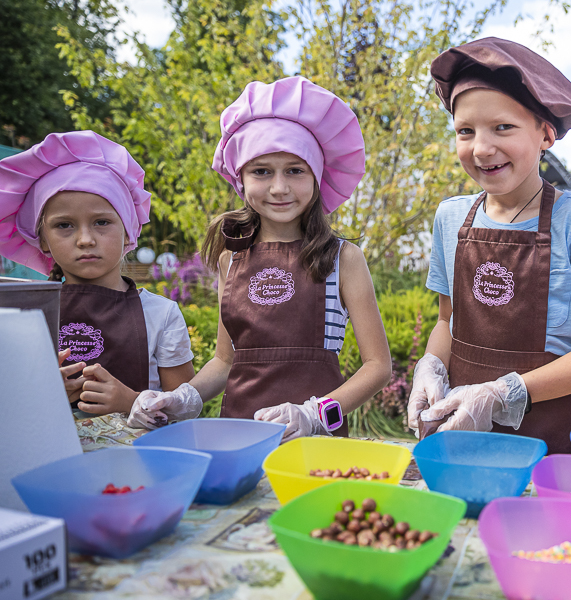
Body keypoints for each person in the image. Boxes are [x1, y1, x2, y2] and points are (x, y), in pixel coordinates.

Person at [128, 77, 392, 441]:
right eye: (262, 171)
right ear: (241, 178)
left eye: (295, 170)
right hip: (238, 435)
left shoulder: (342, 259)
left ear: (316, 178)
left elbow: (378, 367)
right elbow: (225, 361)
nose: (279, 187)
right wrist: (183, 397)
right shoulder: (230, 259)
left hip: (316, 443)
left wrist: (315, 414)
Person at [406, 37, 571, 453]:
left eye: (502, 127)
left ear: (546, 133)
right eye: (465, 131)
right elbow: (446, 321)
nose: (482, 148)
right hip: (460, 437)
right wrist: (430, 366)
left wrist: (501, 394)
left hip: (547, 442)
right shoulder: (450, 217)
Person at [0, 130, 195, 414]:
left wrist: (132, 402)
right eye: (64, 225)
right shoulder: (27, 315)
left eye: (102, 222)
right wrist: (43, 391)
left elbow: (187, 408)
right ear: (42, 240)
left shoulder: (161, 314)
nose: (85, 239)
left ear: (129, 231)